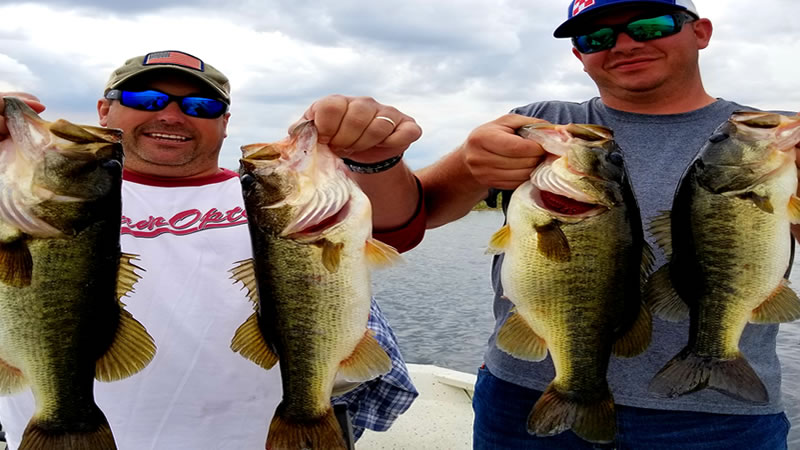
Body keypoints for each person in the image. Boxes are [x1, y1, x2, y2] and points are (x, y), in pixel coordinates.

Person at [417, 0, 798, 448]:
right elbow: (414, 213)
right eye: (596, 37)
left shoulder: (761, 136)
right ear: (579, 56)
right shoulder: (543, 123)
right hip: (524, 394)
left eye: (651, 25)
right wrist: (467, 160)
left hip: (716, 418)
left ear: (701, 33)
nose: (624, 44)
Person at [0, 49, 425, 449]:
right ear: (104, 110)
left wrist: (378, 159)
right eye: (144, 99)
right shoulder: (21, 206)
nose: (170, 115)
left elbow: (399, 230)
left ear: (225, 122)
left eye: (200, 107)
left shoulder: (271, 200)